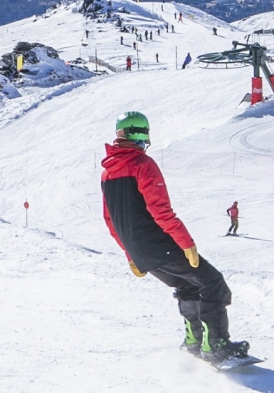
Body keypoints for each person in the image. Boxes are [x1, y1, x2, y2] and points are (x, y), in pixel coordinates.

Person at [102, 111, 249, 362]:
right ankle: (215, 344)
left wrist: (131, 255)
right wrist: (187, 244)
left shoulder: (108, 172)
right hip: (161, 245)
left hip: (143, 253)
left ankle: (194, 341)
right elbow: (160, 211)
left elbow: (110, 220)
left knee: (188, 284)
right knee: (213, 282)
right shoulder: (141, 164)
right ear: (140, 133)